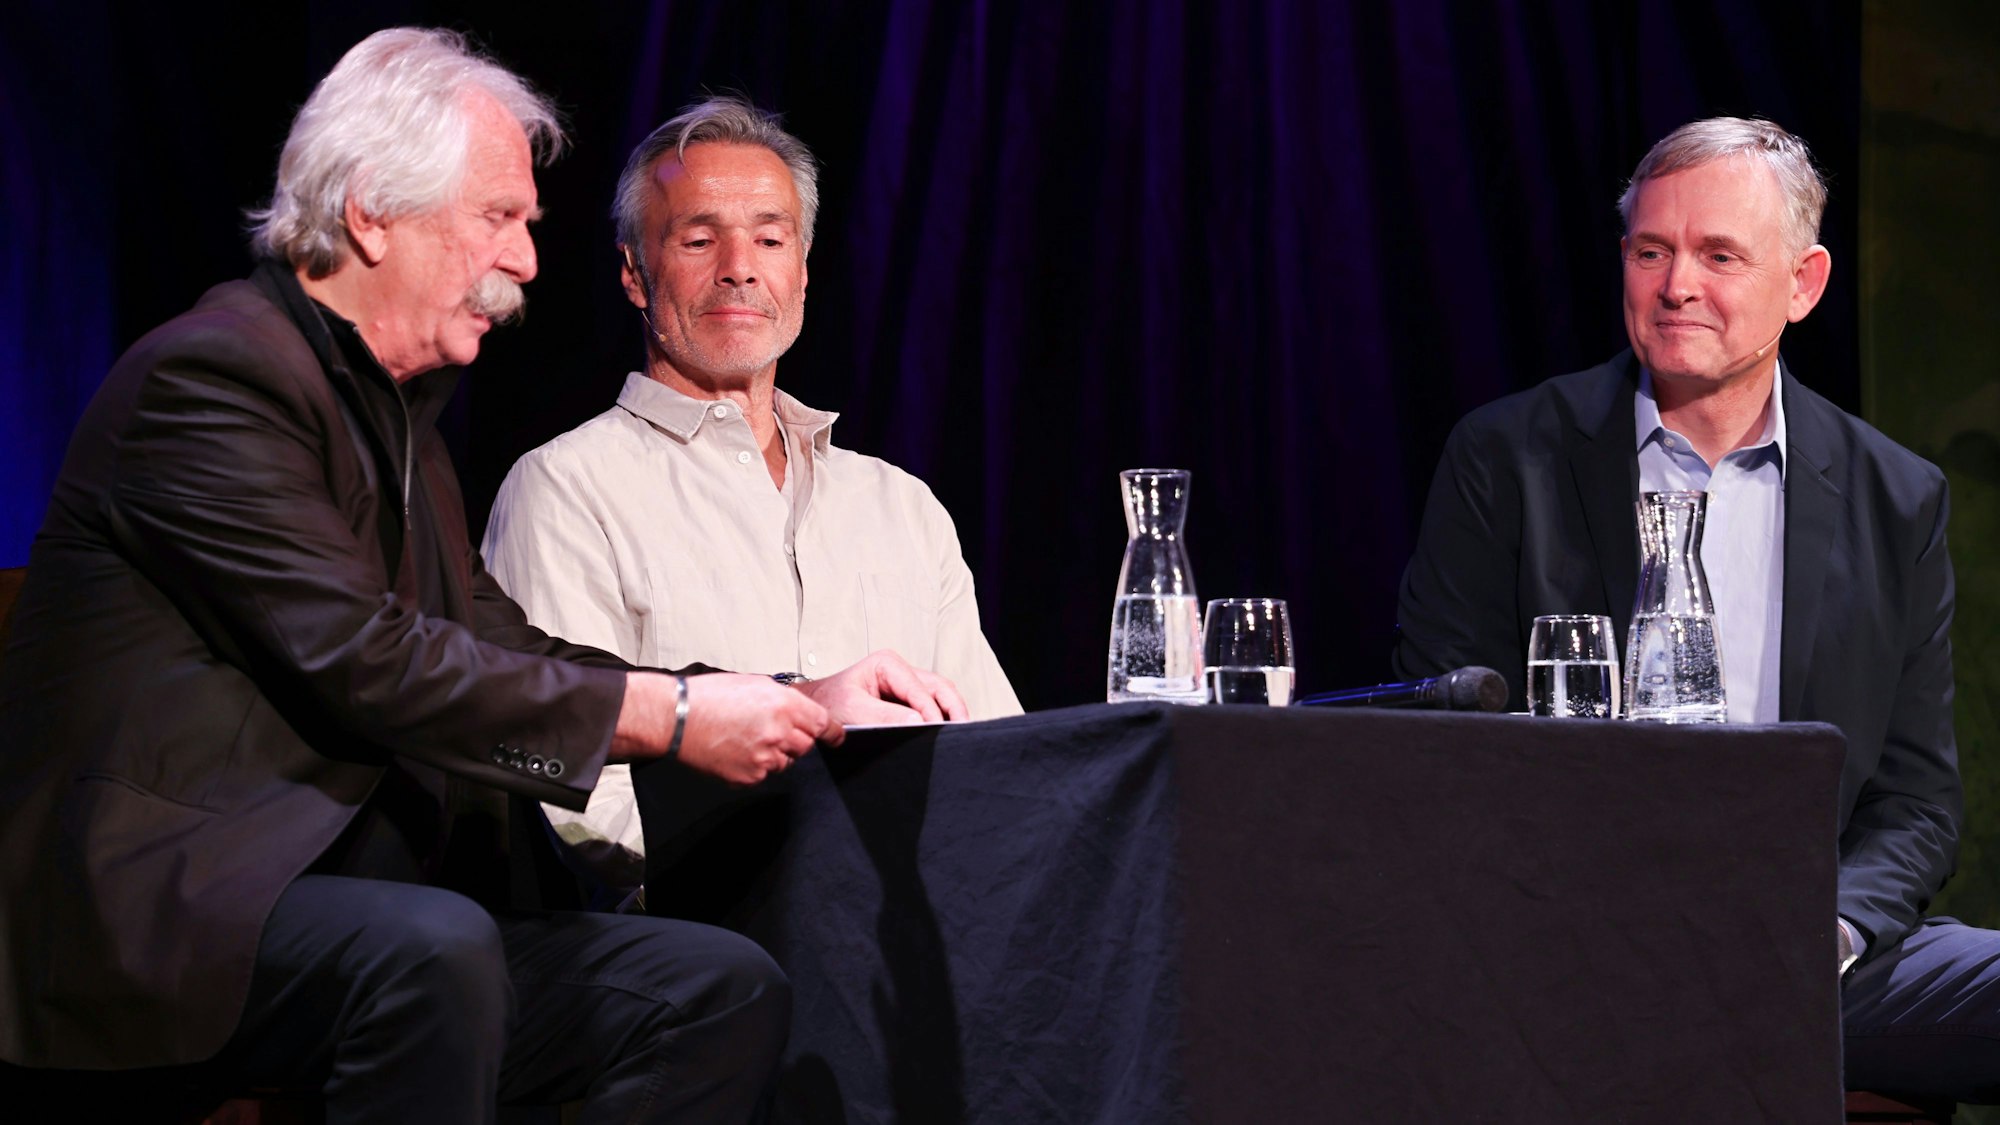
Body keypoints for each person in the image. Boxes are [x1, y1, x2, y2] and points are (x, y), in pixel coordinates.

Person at [0, 28, 957, 1122]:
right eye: (497, 220)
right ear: (370, 213)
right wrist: (676, 715)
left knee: (709, 987)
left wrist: (795, 701)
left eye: (529, 227)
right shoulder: (214, 380)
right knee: (435, 951)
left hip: (363, 914)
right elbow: (369, 660)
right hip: (163, 917)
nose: (525, 262)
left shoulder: (406, 434)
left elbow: (514, 650)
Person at [1394, 116, 2000, 1102]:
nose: (1675, 285)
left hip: (1810, 960)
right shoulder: (1505, 460)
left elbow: (1914, 802)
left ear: (1801, 284)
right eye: (1649, 251)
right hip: (1565, 955)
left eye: (1719, 255)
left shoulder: (1897, 498)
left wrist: (1828, 932)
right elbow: (1442, 747)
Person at [481, 95, 1019, 899]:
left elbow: (1002, 759)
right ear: (634, 273)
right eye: (699, 239)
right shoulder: (566, 487)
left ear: (801, 268)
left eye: (769, 238)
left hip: (923, 932)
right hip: (705, 942)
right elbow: (574, 802)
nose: (740, 264)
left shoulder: (902, 505)